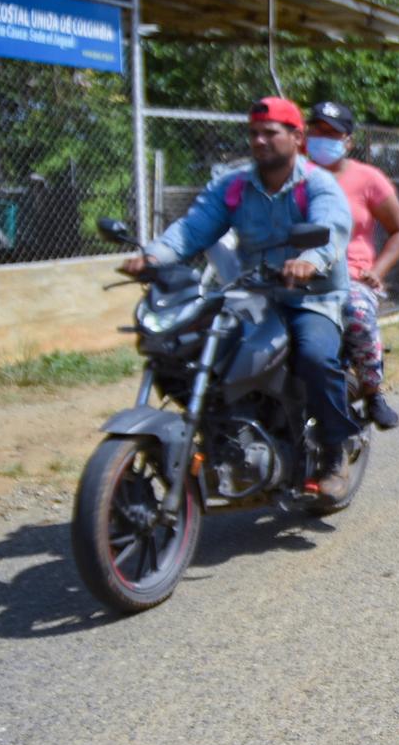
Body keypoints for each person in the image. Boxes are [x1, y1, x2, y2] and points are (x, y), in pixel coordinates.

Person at [122, 97, 362, 496]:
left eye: (270, 132)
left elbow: (332, 229)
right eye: (253, 133)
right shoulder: (232, 187)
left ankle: (334, 453)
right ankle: (222, 433)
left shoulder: (318, 185)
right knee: (194, 347)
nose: (260, 141)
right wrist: (152, 256)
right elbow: (192, 230)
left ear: (297, 136)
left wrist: (309, 260)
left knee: (316, 357)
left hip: (311, 298)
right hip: (252, 294)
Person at [306, 100, 399, 430]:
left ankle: (372, 391)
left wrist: (376, 271)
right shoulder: (293, 175)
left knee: (357, 313)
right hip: (297, 274)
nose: (323, 138)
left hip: (349, 275)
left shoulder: (368, 178)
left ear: (348, 141)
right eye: (317, 131)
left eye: (333, 134)